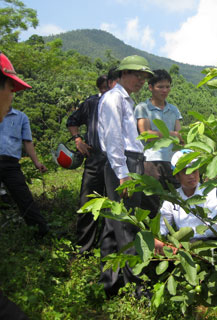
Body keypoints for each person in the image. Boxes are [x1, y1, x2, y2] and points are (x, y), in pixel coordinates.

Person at [97, 55, 153, 297]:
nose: (140, 80)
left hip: (130, 162)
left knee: (113, 223)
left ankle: (109, 283)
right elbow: (113, 139)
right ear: (121, 75)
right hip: (123, 164)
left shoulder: (125, 100)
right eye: (136, 75)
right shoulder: (113, 99)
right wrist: (123, 173)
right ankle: (137, 287)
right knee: (127, 223)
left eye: (143, 77)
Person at [66, 69, 119, 253]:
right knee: (88, 203)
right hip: (94, 158)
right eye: (104, 88)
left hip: (115, 161)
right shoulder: (91, 103)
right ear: (100, 88)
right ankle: (84, 248)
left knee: (112, 205)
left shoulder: (120, 103)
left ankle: (108, 249)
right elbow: (72, 121)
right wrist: (78, 140)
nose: (108, 92)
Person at [0, 52, 32, 320]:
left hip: (10, 162)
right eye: (11, 89)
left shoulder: (19, 117)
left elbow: (27, 142)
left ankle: (39, 229)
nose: (12, 96)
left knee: (24, 199)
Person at [155, 149, 217, 255]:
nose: (191, 176)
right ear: (177, 176)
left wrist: (185, 240)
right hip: (182, 246)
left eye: (194, 170)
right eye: (185, 172)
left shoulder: (210, 193)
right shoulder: (172, 198)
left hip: (209, 244)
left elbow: (216, 227)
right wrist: (158, 239)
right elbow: (162, 224)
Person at [134, 69, 183, 216]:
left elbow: (180, 138)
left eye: (167, 86)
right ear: (150, 87)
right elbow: (145, 135)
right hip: (151, 160)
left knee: (176, 201)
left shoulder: (173, 110)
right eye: (160, 87)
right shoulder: (143, 108)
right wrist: (171, 135)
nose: (164, 90)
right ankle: (151, 235)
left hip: (172, 161)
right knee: (150, 201)